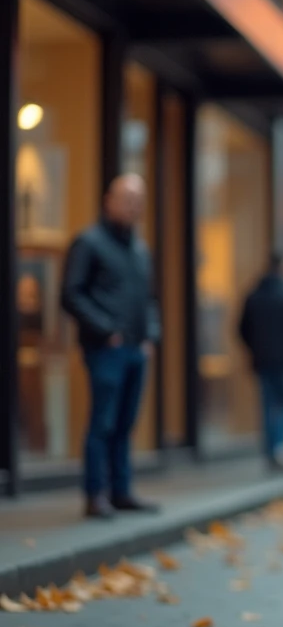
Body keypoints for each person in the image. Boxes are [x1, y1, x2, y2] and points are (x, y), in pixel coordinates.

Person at [61, 174, 160, 519]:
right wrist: (106, 331)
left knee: (125, 423)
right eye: (127, 197)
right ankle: (95, 494)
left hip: (136, 349)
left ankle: (121, 491)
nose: (134, 205)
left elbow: (149, 299)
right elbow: (71, 295)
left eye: (139, 199)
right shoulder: (89, 243)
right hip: (106, 349)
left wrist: (150, 335)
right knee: (102, 422)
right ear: (109, 200)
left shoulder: (140, 248)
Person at [238, 252, 283, 473]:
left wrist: (254, 349)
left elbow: (242, 328)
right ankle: (281, 446)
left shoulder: (254, 295)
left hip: (262, 361)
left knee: (268, 405)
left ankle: (271, 450)